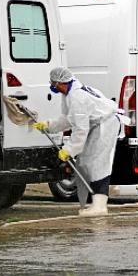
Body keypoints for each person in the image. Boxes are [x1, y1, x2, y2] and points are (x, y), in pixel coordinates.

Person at [33, 67, 122, 217]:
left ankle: (100, 207)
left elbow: (80, 129)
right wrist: (49, 125)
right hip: (99, 124)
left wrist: (69, 150)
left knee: (97, 163)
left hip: (106, 125)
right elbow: (68, 118)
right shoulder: (69, 94)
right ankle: (97, 204)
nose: (53, 87)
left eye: (53, 84)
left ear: (61, 82)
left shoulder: (77, 97)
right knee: (88, 162)